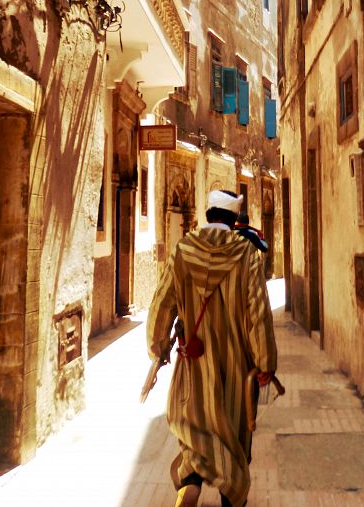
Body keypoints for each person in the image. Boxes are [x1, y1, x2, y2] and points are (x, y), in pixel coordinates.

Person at [147, 190, 278, 507]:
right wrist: (265, 362)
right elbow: (258, 313)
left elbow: (161, 306)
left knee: (195, 427)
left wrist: (159, 348)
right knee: (233, 432)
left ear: (208, 215)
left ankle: (190, 482)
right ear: (233, 220)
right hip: (236, 366)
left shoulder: (182, 251)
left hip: (193, 364)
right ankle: (231, 496)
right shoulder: (246, 254)